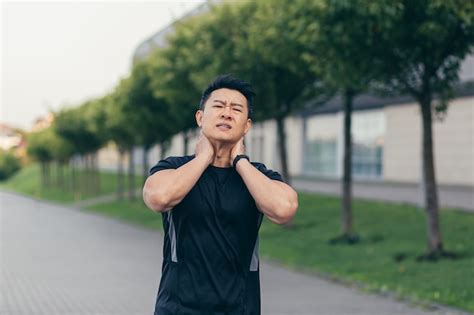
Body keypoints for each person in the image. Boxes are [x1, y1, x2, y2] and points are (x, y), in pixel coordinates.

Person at [143, 74, 298, 315]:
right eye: (218, 106)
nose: (227, 113)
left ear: (247, 125)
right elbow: (158, 197)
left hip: (240, 309)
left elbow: (284, 210)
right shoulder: (173, 168)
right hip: (177, 309)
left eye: (236, 109)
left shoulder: (256, 176)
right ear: (200, 117)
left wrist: (240, 162)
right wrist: (204, 157)